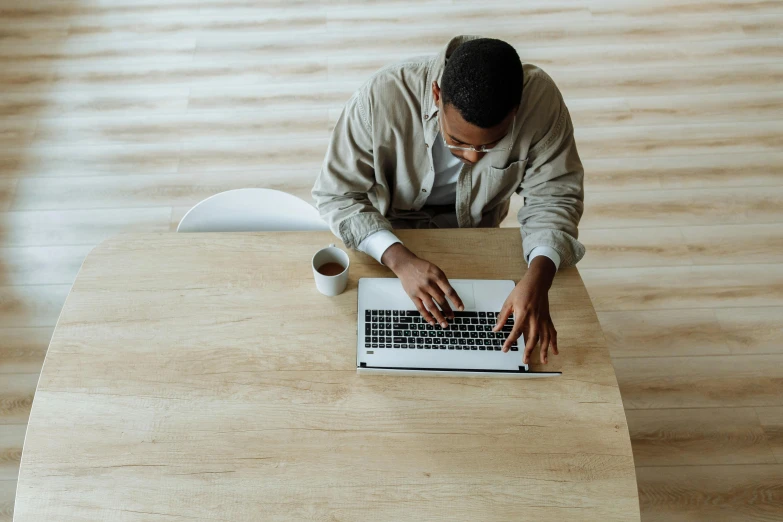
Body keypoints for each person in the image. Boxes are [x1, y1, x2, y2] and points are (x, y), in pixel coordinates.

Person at [312, 36, 584, 366]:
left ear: (515, 112)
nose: (470, 157)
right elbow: (336, 194)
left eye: (489, 146)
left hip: (479, 232)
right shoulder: (381, 97)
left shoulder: (540, 103)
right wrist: (400, 261)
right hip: (389, 230)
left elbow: (555, 196)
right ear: (437, 95)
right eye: (456, 140)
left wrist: (539, 279)